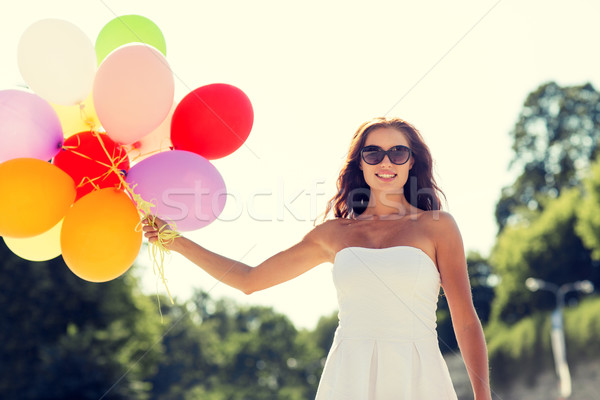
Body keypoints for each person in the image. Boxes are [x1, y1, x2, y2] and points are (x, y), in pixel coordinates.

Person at [143, 117, 492, 400]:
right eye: (373, 153)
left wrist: (483, 395)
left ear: (411, 160)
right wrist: (175, 242)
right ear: (360, 163)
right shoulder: (332, 235)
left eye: (397, 153)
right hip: (348, 376)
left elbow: (464, 320)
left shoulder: (438, 227)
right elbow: (249, 280)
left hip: (418, 373)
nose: (386, 162)